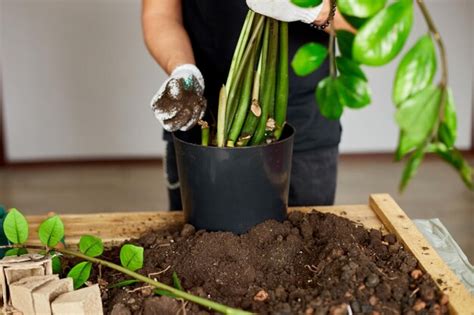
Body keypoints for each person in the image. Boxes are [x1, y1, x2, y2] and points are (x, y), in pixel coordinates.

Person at [142, 0, 354, 210]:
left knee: (303, 238)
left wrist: (315, 9)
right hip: (202, 128)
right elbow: (160, 14)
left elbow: (365, 30)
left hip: (302, 133)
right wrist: (183, 70)